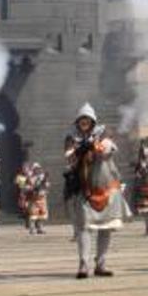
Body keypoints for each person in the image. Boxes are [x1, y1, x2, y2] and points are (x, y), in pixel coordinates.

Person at [64, 103, 126, 278]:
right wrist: (81, 149)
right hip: (84, 188)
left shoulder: (103, 134)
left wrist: (97, 145)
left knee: (106, 227)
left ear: (92, 121)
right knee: (84, 228)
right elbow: (69, 158)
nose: (84, 122)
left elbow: (108, 150)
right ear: (78, 121)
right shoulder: (71, 137)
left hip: (106, 187)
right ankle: (83, 264)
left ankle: (101, 264)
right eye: (81, 119)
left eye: (87, 119)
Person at [19, 162, 49, 235]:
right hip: (33, 199)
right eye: (36, 169)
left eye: (38, 169)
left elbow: (46, 185)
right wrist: (31, 188)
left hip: (42, 198)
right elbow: (25, 187)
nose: (37, 170)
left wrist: (44, 185)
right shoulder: (30, 178)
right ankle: (32, 229)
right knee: (33, 215)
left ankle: (40, 228)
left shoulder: (42, 177)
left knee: (41, 215)